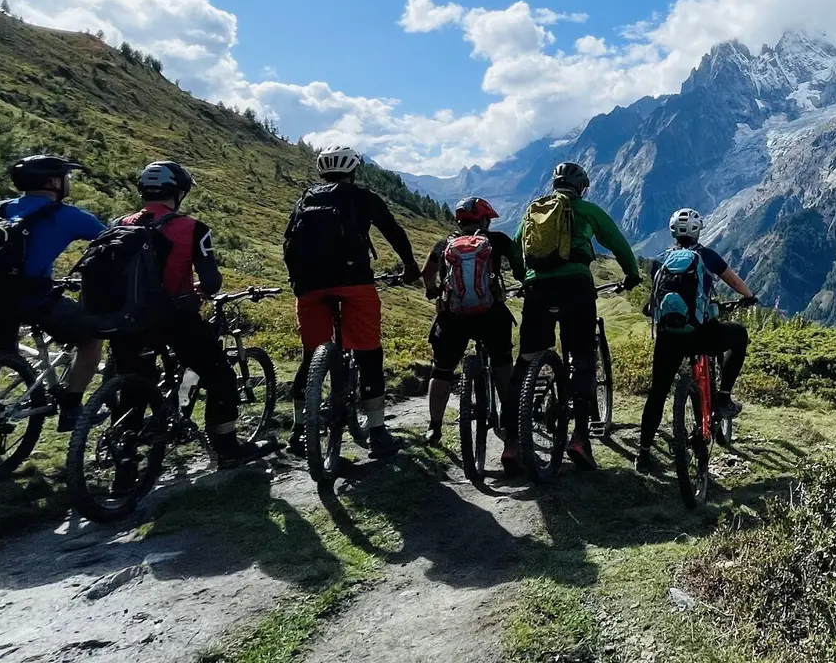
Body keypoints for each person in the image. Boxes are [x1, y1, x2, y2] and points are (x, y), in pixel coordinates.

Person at [106, 161, 269, 467]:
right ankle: (227, 449)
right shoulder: (193, 228)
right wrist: (198, 291)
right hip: (173, 319)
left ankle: (123, 465)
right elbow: (211, 281)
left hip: (125, 320)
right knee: (220, 375)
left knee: (133, 387)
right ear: (178, 192)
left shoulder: (119, 224)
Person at [282, 145, 421, 460]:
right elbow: (393, 231)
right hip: (354, 283)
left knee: (310, 355)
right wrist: (410, 266)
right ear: (353, 170)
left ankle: (298, 430)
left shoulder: (305, 199)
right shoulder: (363, 197)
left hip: (309, 288)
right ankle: (377, 433)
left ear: (322, 172)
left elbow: (289, 240)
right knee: (369, 353)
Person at [0, 154, 106, 442]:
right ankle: (72, 409)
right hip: (30, 300)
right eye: (66, 176)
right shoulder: (66, 215)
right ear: (53, 182)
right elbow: (113, 239)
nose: (68, 181)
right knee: (91, 339)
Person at [512, 162, 641, 469]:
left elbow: (517, 249)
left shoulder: (534, 209)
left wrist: (525, 278)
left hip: (538, 289)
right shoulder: (588, 210)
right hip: (576, 288)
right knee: (582, 359)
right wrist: (632, 274)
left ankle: (512, 443)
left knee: (527, 358)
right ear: (581, 187)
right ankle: (580, 439)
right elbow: (617, 241)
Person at [636, 207, 754, 473]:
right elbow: (734, 281)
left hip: (669, 337)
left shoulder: (660, 260)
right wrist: (749, 296)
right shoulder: (707, 256)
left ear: (672, 232)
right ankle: (723, 397)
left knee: (657, 393)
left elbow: (654, 298)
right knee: (739, 336)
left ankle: (643, 453)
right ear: (698, 231)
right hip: (702, 334)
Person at [419, 196, 524, 471]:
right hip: (491, 316)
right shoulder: (497, 240)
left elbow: (427, 274)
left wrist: (432, 290)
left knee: (441, 370)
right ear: (485, 220)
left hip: (453, 318)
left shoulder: (444, 244)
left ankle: (434, 427)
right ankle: (511, 434)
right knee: (502, 365)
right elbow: (521, 268)